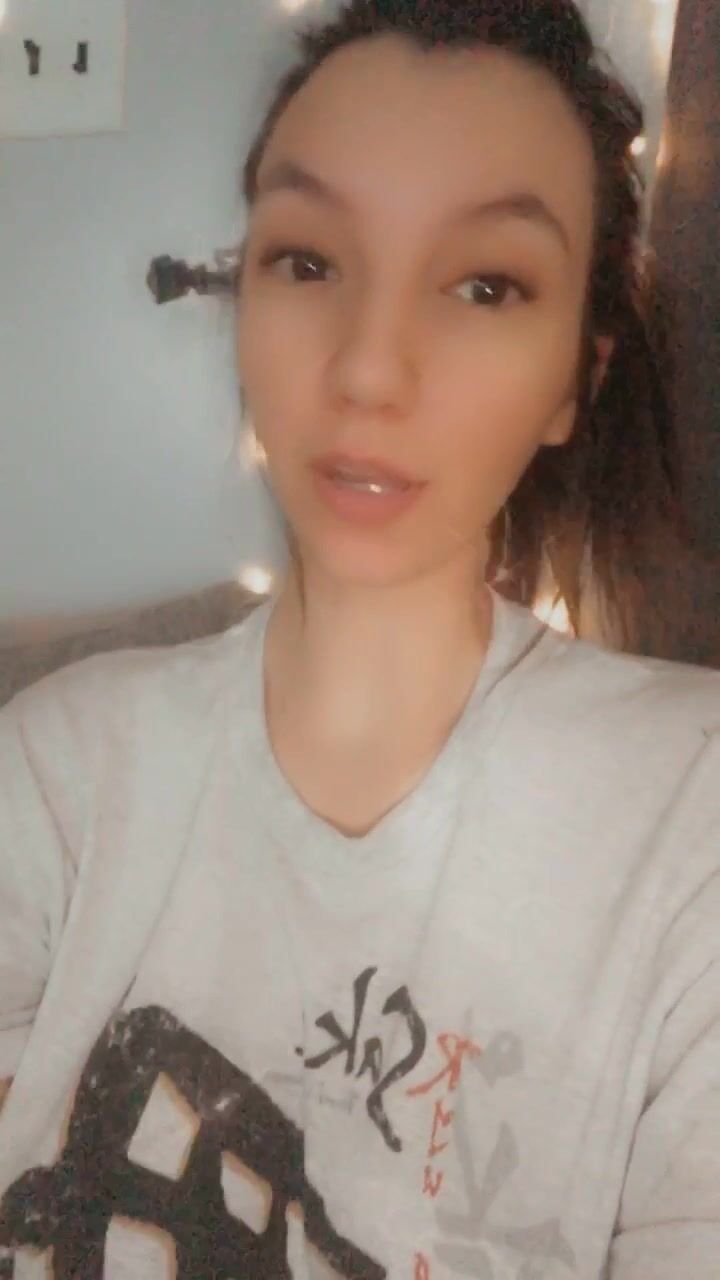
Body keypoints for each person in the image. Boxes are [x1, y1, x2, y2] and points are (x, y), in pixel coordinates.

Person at [0, 1, 718, 1276]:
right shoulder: (58, 768)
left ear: (576, 378)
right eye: (308, 261)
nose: (371, 370)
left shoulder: (692, 810)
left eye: (487, 284)